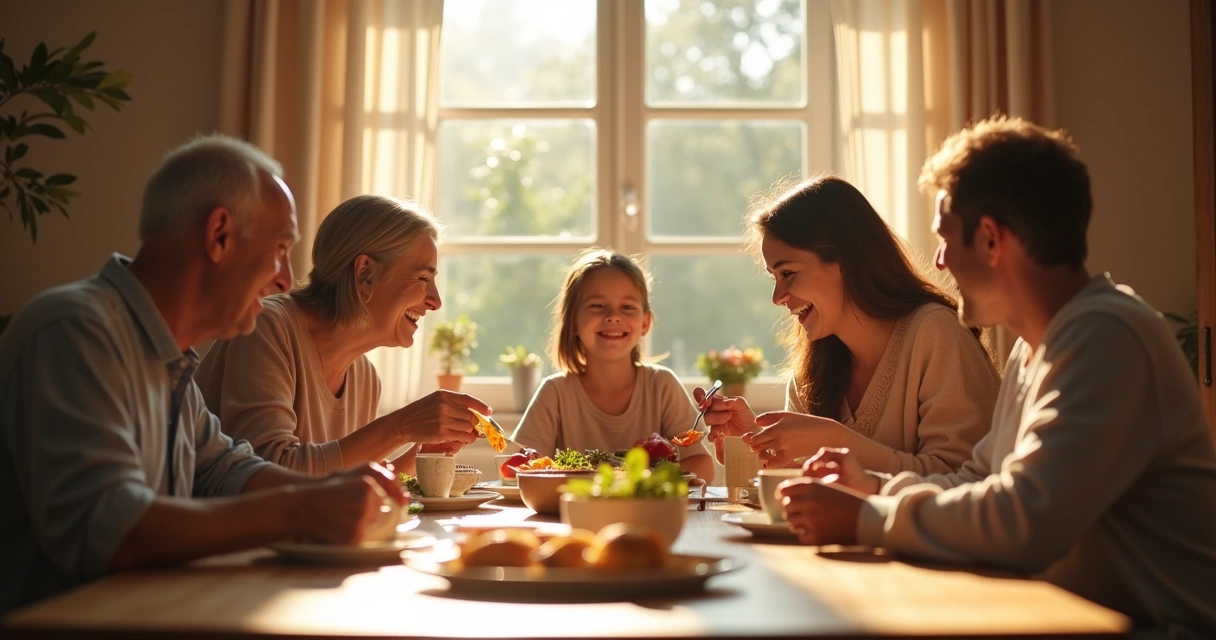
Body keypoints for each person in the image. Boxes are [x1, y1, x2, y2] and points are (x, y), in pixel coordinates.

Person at [778, 116, 1216, 634]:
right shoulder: (1036, 348)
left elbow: (1025, 519)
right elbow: (978, 481)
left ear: (990, 239)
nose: (939, 262)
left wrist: (864, 518)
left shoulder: (1108, 334)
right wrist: (872, 487)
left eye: (945, 239)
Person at [0, 135, 407, 614]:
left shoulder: (167, 354)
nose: (284, 278)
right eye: (279, 248)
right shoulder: (76, 331)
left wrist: (334, 491)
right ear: (219, 235)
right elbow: (108, 528)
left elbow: (222, 469)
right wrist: (302, 508)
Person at [696, 176, 999, 475]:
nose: (777, 297)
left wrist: (837, 441)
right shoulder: (810, 371)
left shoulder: (936, 333)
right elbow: (805, 487)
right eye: (773, 278)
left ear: (844, 260)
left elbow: (963, 482)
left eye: (788, 273)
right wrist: (754, 441)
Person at [196, 194, 487, 477]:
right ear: (364, 273)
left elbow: (340, 489)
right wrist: (401, 426)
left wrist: (420, 455)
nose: (435, 301)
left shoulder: (365, 379)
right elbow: (267, 475)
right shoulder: (268, 328)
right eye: (423, 278)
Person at [510, 249, 715, 481]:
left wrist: (638, 481)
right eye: (597, 305)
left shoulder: (662, 385)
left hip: (650, 516)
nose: (613, 316)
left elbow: (701, 464)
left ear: (645, 322)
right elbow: (521, 468)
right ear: (573, 322)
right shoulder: (555, 393)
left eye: (627, 307)